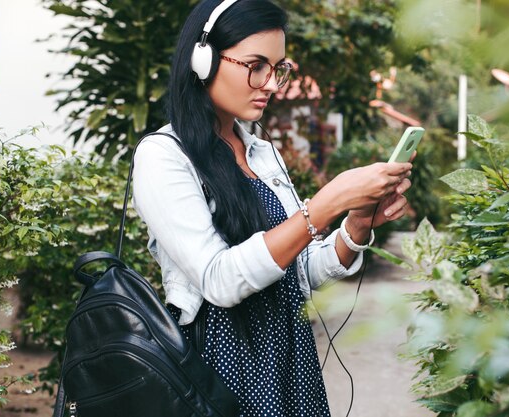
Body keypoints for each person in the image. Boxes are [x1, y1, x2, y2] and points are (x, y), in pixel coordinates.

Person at [133, 0, 413, 415]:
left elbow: (298, 271)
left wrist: (355, 226)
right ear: (202, 61)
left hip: (288, 357)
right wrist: (325, 203)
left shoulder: (261, 153)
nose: (271, 84)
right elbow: (218, 281)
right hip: (220, 367)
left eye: (277, 68)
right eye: (255, 65)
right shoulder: (164, 156)